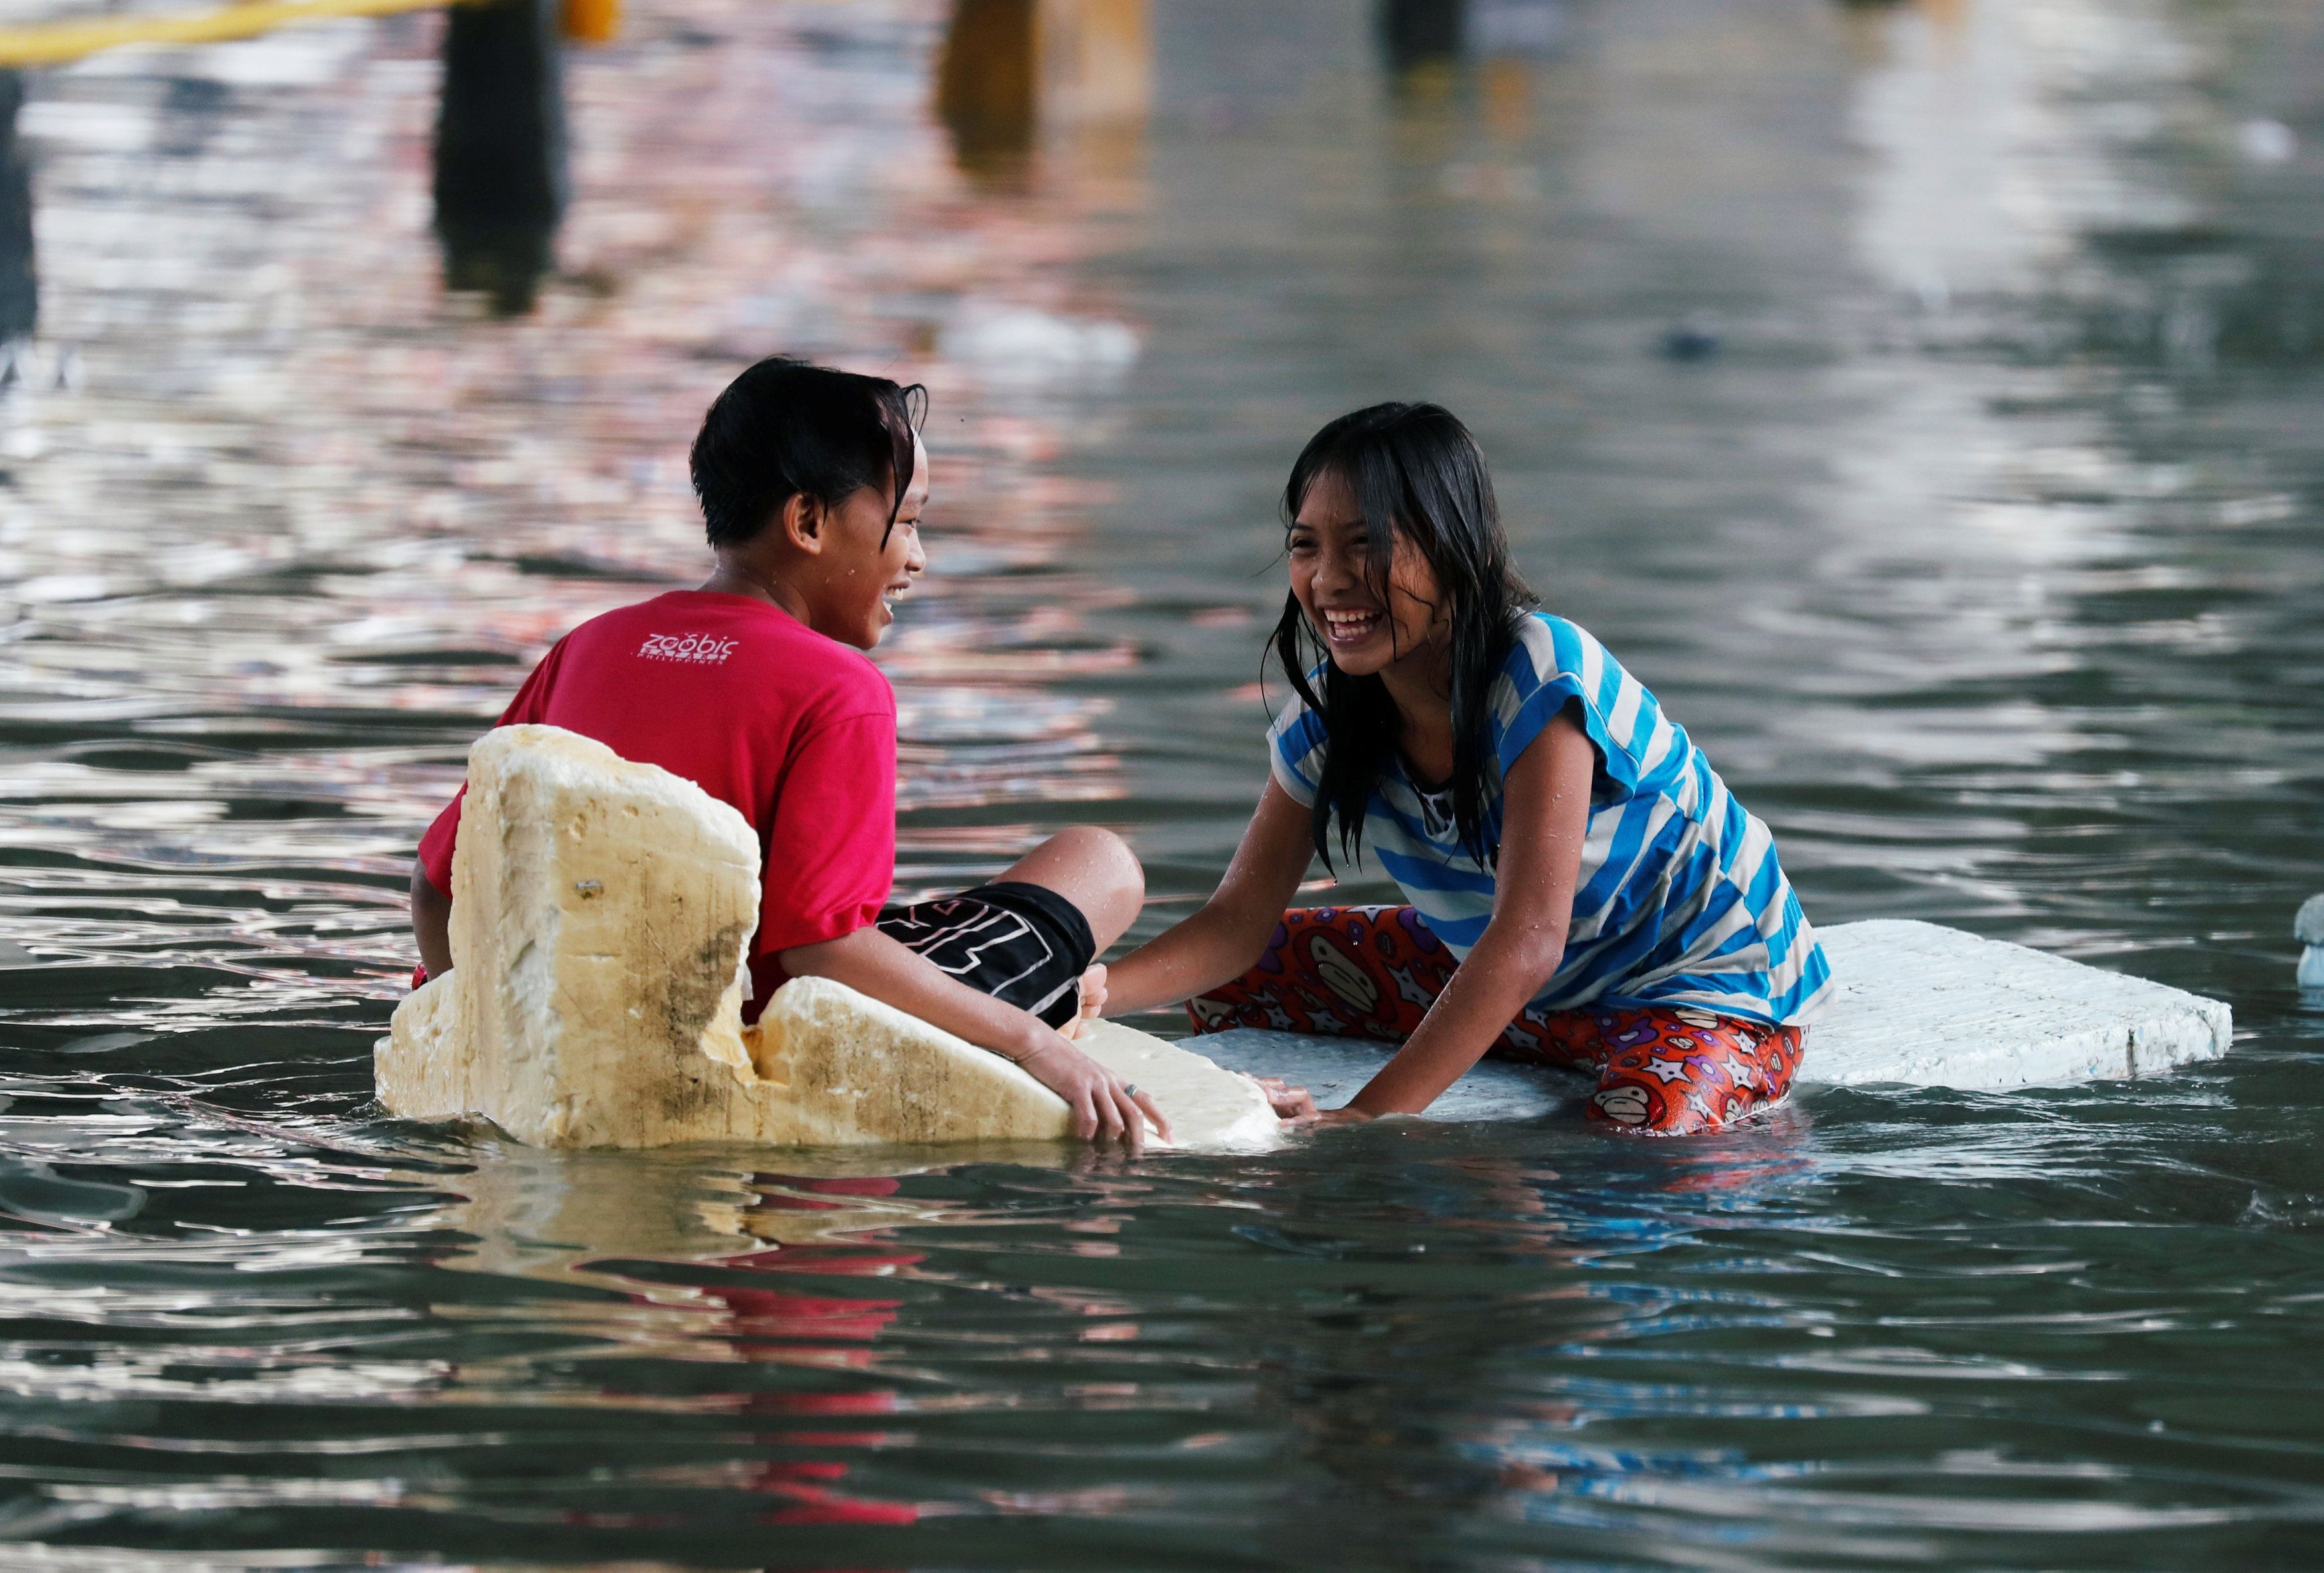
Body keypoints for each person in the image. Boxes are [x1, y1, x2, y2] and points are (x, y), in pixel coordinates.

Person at [409, 357, 1165, 1145]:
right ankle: (1052, 1003)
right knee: (1099, 862)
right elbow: (818, 949)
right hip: (770, 1042)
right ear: (807, 523)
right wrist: (1031, 1042)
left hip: (571, 1035)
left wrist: (489, 1044)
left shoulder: (586, 646)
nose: (917, 557)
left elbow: (436, 886)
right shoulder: (840, 688)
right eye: (905, 522)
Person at [1099, 402, 1832, 1135]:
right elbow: (1234, 924)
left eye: (1366, 544)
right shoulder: (1328, 714)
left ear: (1456, 548)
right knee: (1245, 984)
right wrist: (1084, 993)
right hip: (1544, 1004)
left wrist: (1360, 1116)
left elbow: (1526, 940)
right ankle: (1553, 1046)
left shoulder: (1541, 674)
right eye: (1305, 545)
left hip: (1703, 988)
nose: (1328, 579)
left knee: (1633, 1139)